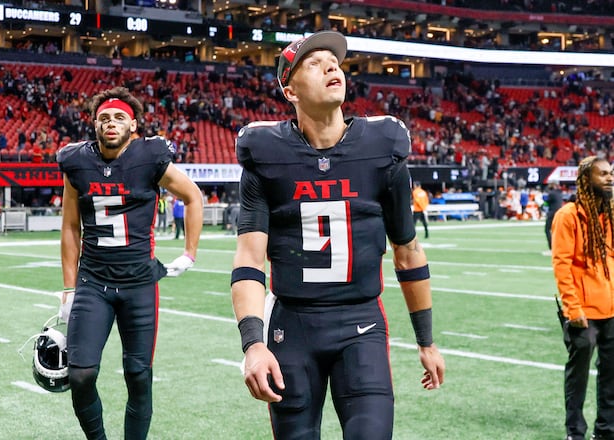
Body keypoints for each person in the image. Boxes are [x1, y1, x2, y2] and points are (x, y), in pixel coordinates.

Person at [230, 31, 445, 440]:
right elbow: (249, 258)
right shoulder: (265, 152)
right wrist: (253, 344)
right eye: (314, 63)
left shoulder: (383, 146)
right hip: (292, 328)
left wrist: (427, 342)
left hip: (361, 323)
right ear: (289, 90)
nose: (331, 66)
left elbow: (408, 251)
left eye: (334, 61)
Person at [58, 86, 203, 440]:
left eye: (119, 117)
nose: (111, 123)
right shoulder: (76, 162)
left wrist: (189, 253)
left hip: (139, 284)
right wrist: (67, 289)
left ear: (133, 124)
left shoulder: (150, 156)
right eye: (104, 117)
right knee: (80, 374)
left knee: (138, 374)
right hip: (94, 283)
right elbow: (69, 227)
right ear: (94, 124)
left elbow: (193, 196)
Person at [551, 156, 614, 440]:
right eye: (602, 174)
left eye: (611, 173)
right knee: (578, 376)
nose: (610, 178)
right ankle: (575, 433)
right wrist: (572, 308)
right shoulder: (568, 215)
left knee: (611, 376)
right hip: (582, 312)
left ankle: (606, 431)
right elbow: (562, 265)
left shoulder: (611, 212)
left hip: (611, 308)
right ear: (586, 178)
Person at [544, 182, 564, 255]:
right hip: (560, 213)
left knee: (547, 230)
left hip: (552, 213)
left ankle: (552, 248)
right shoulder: (560, 193)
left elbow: (546, 203)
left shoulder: (551, 193)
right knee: (557, 231)